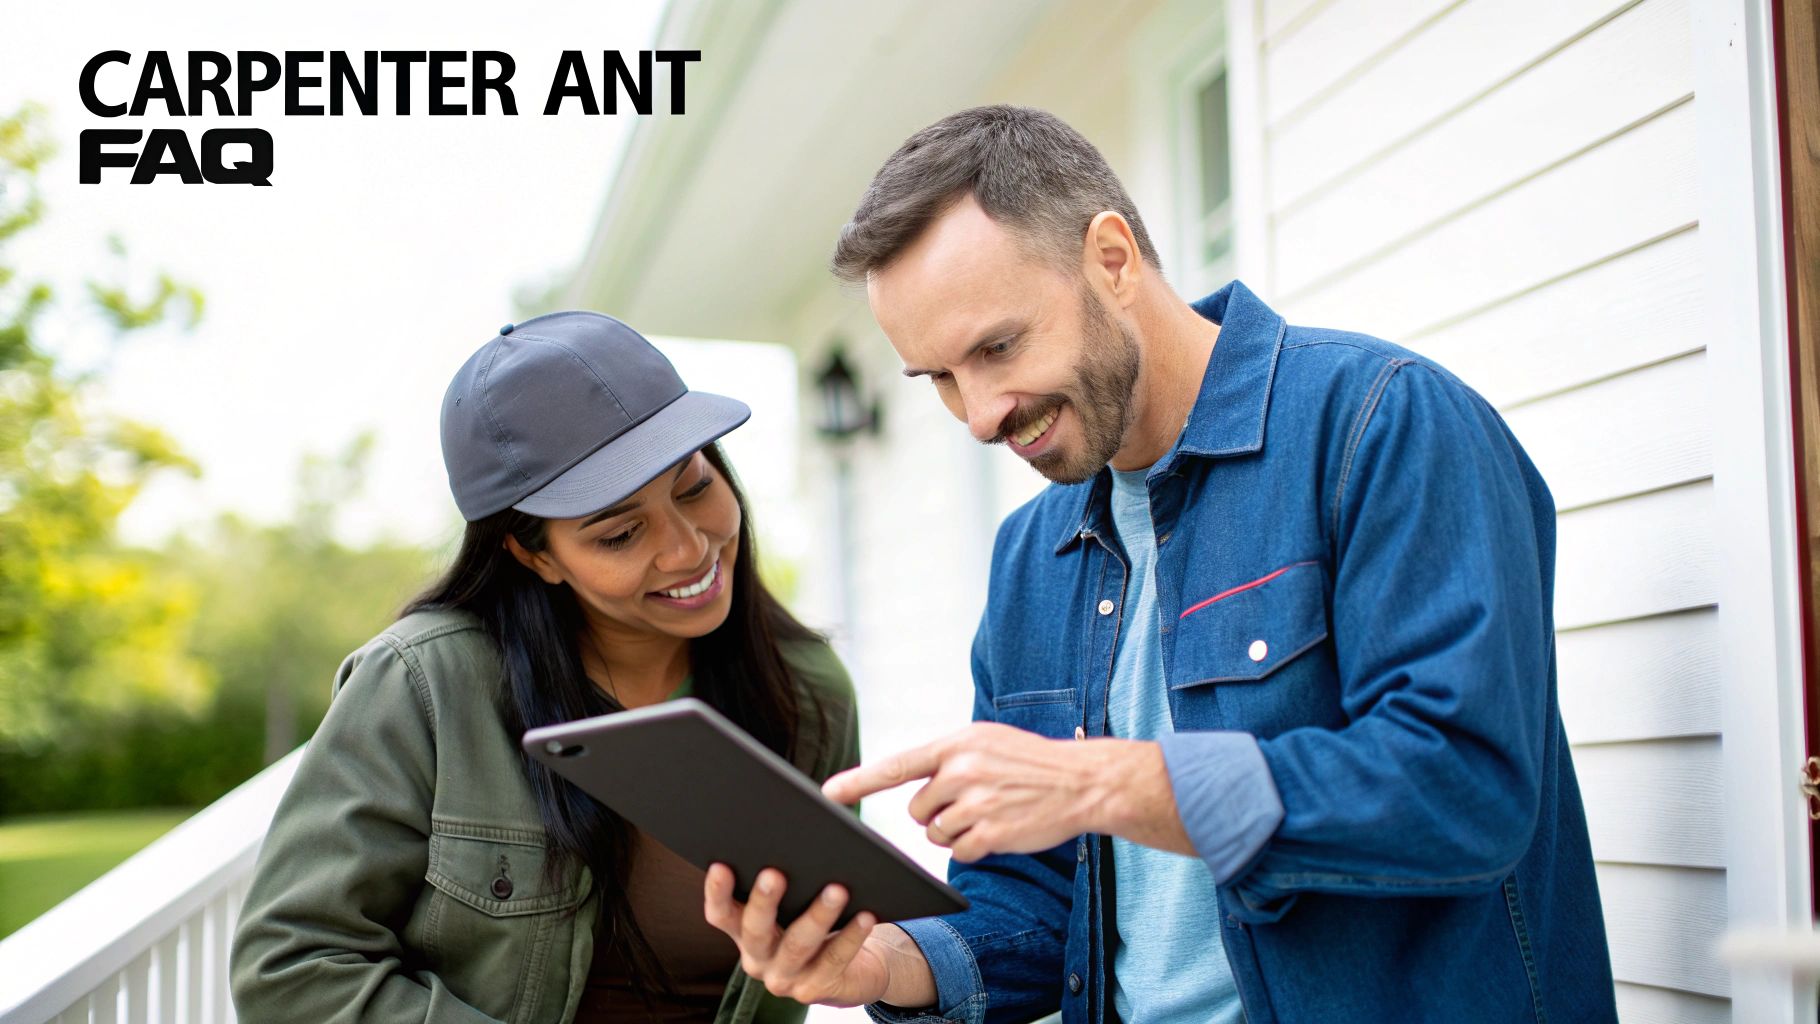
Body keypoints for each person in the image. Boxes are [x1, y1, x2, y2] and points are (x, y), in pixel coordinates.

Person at [703, 106, 1616, 1023]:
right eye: (939, 377)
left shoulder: (1383, 423)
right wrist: (886, 961)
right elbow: (1038, 899)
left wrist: (1106, 781)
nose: (979, 415)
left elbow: (1464, 787)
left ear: (1112, 259)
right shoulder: (1031, 556)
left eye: (997, 347)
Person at [231, 311, 859, 1024]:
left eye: (694, 487)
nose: (688, 550)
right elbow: (290, 969)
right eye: (621, 533)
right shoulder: (423, 685)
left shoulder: (809, 692)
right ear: (533, 555)